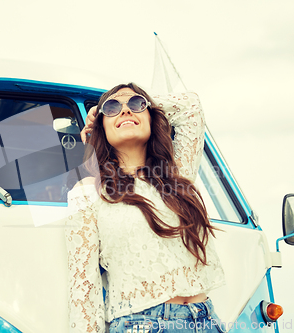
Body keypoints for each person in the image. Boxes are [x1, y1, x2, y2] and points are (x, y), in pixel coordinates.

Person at [65, 83, 225, 333]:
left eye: (137, 104)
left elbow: (191, 107)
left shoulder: (176, 175)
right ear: (100, 128)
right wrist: (111, 111)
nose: (126, 111)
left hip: (205, 320)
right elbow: (84, 288)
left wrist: (102, 109)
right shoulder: (87, 191)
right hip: (140, 324)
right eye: (112, 107)